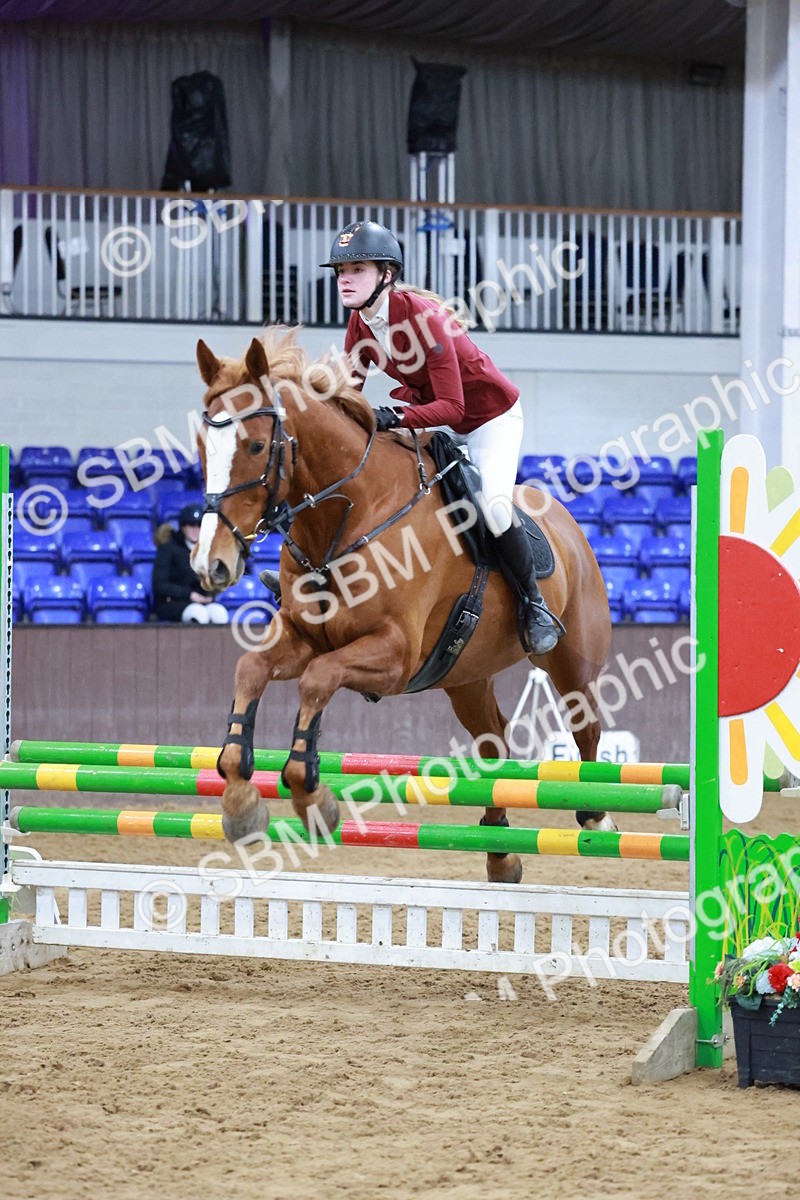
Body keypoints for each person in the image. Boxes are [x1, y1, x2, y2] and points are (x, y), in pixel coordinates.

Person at [320, 220, 560, 655]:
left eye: (357, 268)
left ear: (386, 275)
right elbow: (347, 396)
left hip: (489, 420)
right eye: (340, 271)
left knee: (495, 510)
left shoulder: (425, 320)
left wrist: (390, 416)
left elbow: (454, 408)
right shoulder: (360, 323)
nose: (345, 279)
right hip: (433, 419)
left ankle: (534, 604)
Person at [152, 503, 229, 624]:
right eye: (191, 525)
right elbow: (159, 584)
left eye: (199, 525)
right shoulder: (169, 548)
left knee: (220, 613)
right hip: (173, 602)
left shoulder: (208, 550)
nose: (195, 530)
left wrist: (211, 591)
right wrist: (189, 595)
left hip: (202, 601)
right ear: (182, 527)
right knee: (199, 614)